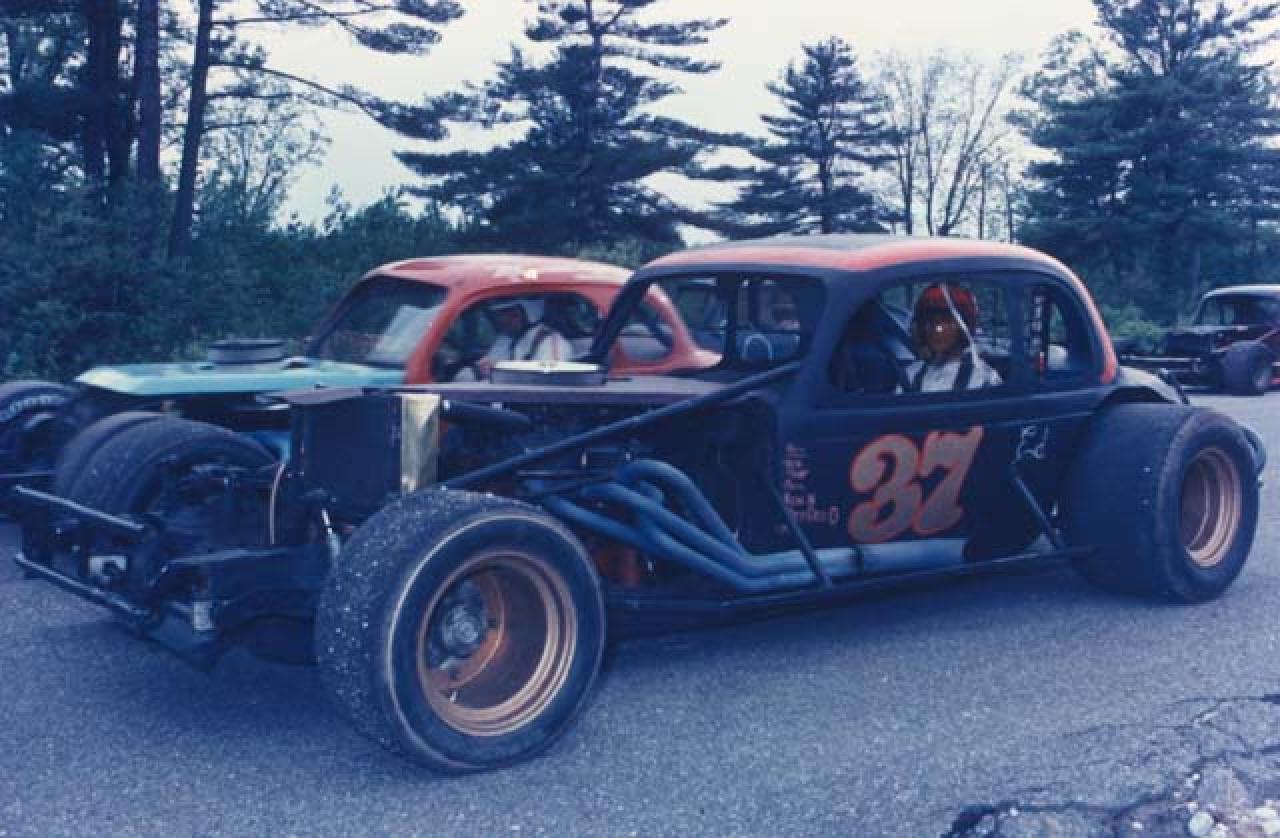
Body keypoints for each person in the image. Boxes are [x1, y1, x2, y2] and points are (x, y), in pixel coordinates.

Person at [901, 283, 1002, 393]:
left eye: (946, 321)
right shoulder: (911, 375)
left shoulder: (984, 379)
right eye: (930, 321)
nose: (937, 329)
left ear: (964, 326)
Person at [455, 298, 575, 381]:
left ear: (529, 313)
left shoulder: (552, 343)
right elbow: (480, 370)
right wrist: (477, 371)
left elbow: (550, 380)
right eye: (500, 314)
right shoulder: (505, 340)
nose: (504, 320)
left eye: (512, 314)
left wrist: (502, 371)